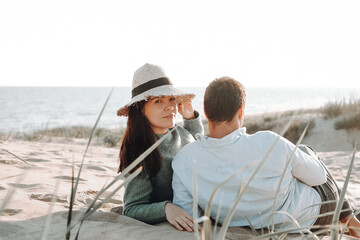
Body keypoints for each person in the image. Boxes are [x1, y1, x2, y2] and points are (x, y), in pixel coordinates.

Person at [172, 76, 360, 237]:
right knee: (305, 150)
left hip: (246, 223)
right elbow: (319, 177)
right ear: (241, 111)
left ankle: (349, 219)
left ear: (205, 111)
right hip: (311, 216)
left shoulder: (183, 160)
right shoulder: (268, 142)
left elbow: (189, 214)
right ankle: (350, 219)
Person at [117, 63, 204, 232]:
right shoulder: (140, 150)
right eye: (158, 101)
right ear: (141, 109)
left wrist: (190, 117)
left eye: (171, 99)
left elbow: (198, 148)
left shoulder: (179, 132)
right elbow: (132, 208)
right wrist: (166, 209)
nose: (169, 107)